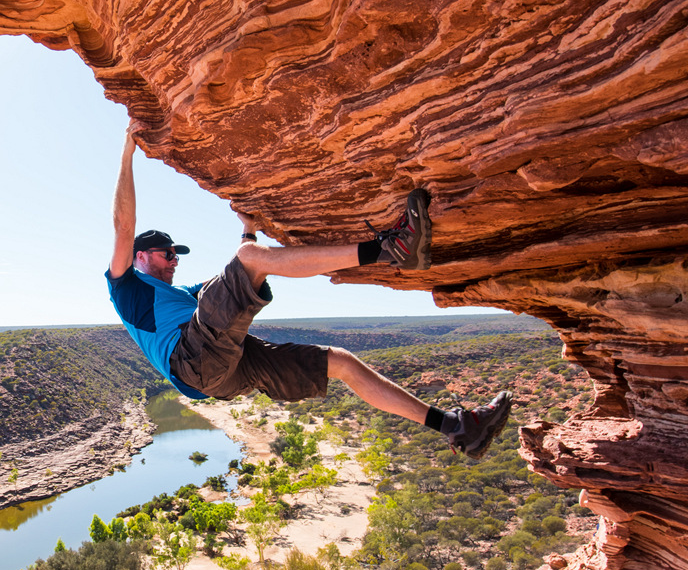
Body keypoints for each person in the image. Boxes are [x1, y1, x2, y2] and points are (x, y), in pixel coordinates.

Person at [106, 129, 512, 460]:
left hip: (220, 374)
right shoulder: (126, 286)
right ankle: (389, 249)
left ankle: (458, 428)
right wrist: (127, 154)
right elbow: (124, 227)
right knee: (249, 260)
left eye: (177, 253)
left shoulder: (181, 295)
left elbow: (239, 274)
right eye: (167, 253)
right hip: (193, 361)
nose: (175, 259)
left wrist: (248, 229)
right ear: (141, 256)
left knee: (341, 362)